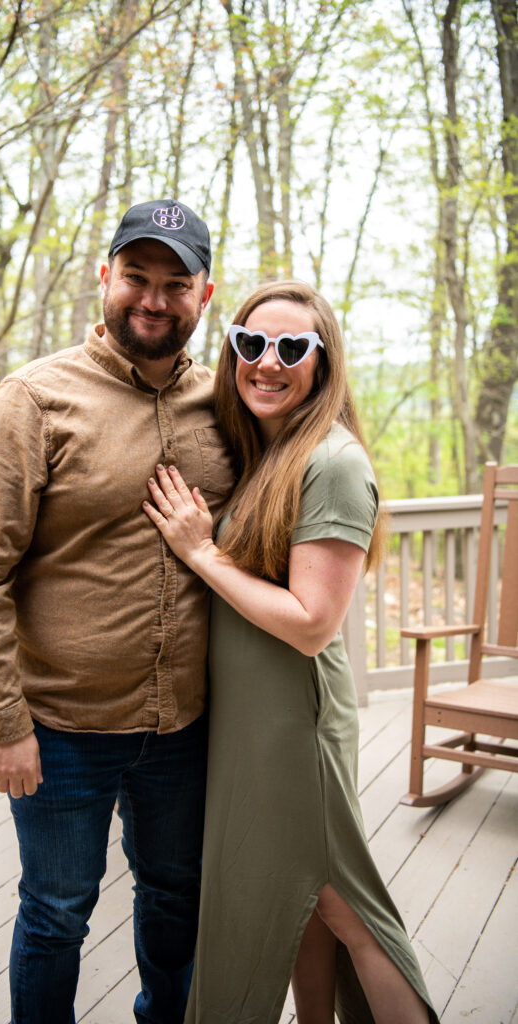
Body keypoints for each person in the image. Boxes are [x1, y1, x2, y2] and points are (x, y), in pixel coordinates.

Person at [0, 199, 234, 1024]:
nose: (153, 299)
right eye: (136, 277)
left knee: (177, 893)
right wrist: (2, 722)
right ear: (103, 278)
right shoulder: (32, 401)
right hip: (63, 728)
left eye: (174, 284)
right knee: (56, 913)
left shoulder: (224, 405)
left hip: (183, 726)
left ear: (203, 296)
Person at [143, 280, 438, 1024]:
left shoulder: (331, 463)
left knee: (345, 909)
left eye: (290, 347)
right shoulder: (273, 454)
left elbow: (311, 623)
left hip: (295, 734)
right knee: (302, 905)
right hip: (256, 728)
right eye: (249, 344)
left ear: (322, 360)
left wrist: (200, 553)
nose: (266, 362)